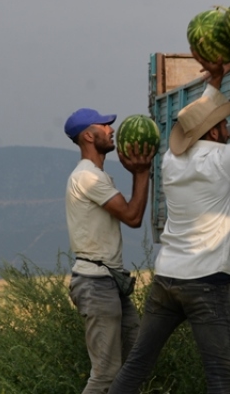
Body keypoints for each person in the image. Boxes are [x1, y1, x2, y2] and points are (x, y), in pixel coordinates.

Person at [109, 33, 230, 394]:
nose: (229, 128)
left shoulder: (171, 162)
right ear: (215, 131)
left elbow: (196, 121)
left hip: (167, 278)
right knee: (221, 376)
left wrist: (214, 82)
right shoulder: (222, 160)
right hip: (206, 283)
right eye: (223, 124)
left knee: (137, 366)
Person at [64, 108, 156, 394]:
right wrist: (142, 173)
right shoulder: (88, 178)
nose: (111, 130)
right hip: (96, 284)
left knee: (132, 365)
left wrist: (140, 173)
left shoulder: (97, 176)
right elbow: (132, 216)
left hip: (109, 281)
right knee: (105, 374)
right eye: (104, 126)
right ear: (89, 136)